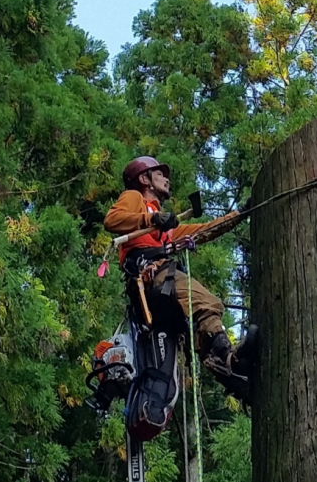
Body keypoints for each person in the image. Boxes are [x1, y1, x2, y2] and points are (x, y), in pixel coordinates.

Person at [103, 156, 254, 399]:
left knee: (197, 329)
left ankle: (233, 379)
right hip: (150, 276)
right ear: (145, 179)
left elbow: (203, 230)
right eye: (159, 173)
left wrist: (240, 214)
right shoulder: (135, 198)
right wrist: (151, 218)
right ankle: (233, 361)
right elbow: (112, 220)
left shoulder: (165, 228)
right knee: (207, 303)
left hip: (159, 282)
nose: (166, 178)